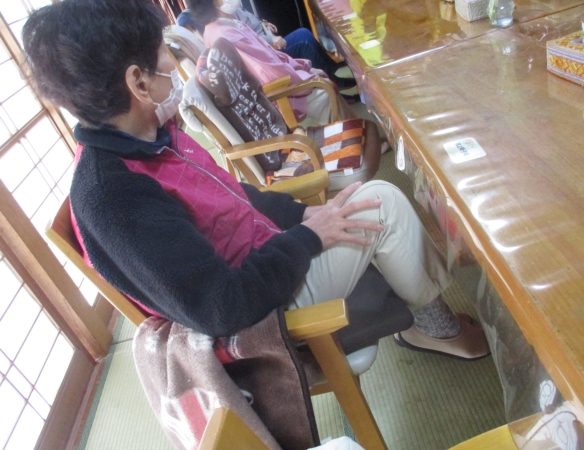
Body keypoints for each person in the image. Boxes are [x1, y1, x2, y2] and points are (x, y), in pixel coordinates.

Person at [23, 0, 489, 360]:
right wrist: (309, 236)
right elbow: (223, 308)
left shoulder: (148, 134)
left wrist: (305, 213)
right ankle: (434, 328)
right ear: (138, 83)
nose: (173, 64)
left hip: (268, 257)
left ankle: (425, 314)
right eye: (164, 54)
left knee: (362, 203)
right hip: (263, 316)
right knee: (382, 203)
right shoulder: (114, 198)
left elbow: (232, 193)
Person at [187, 0, 353, 125]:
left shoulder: (229, 25)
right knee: (326, 93)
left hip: (273, 85)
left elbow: (273, 56)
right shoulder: (225, 35)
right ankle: (354, 142)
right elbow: (270, 74)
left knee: (321, 80)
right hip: (271, 98)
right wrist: (308, 77)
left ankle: (354, 137)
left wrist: (306, 68)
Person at [177, 7, 352, 88]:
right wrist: (306, 73)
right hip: (269, 57)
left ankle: (331, 77)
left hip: (267, 45)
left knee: (303, 37)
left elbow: (251, 27)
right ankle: (333, 80)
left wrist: (265, 26)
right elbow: (263, 64)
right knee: (304, 38)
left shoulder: (230, 16)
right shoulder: (222, 31)